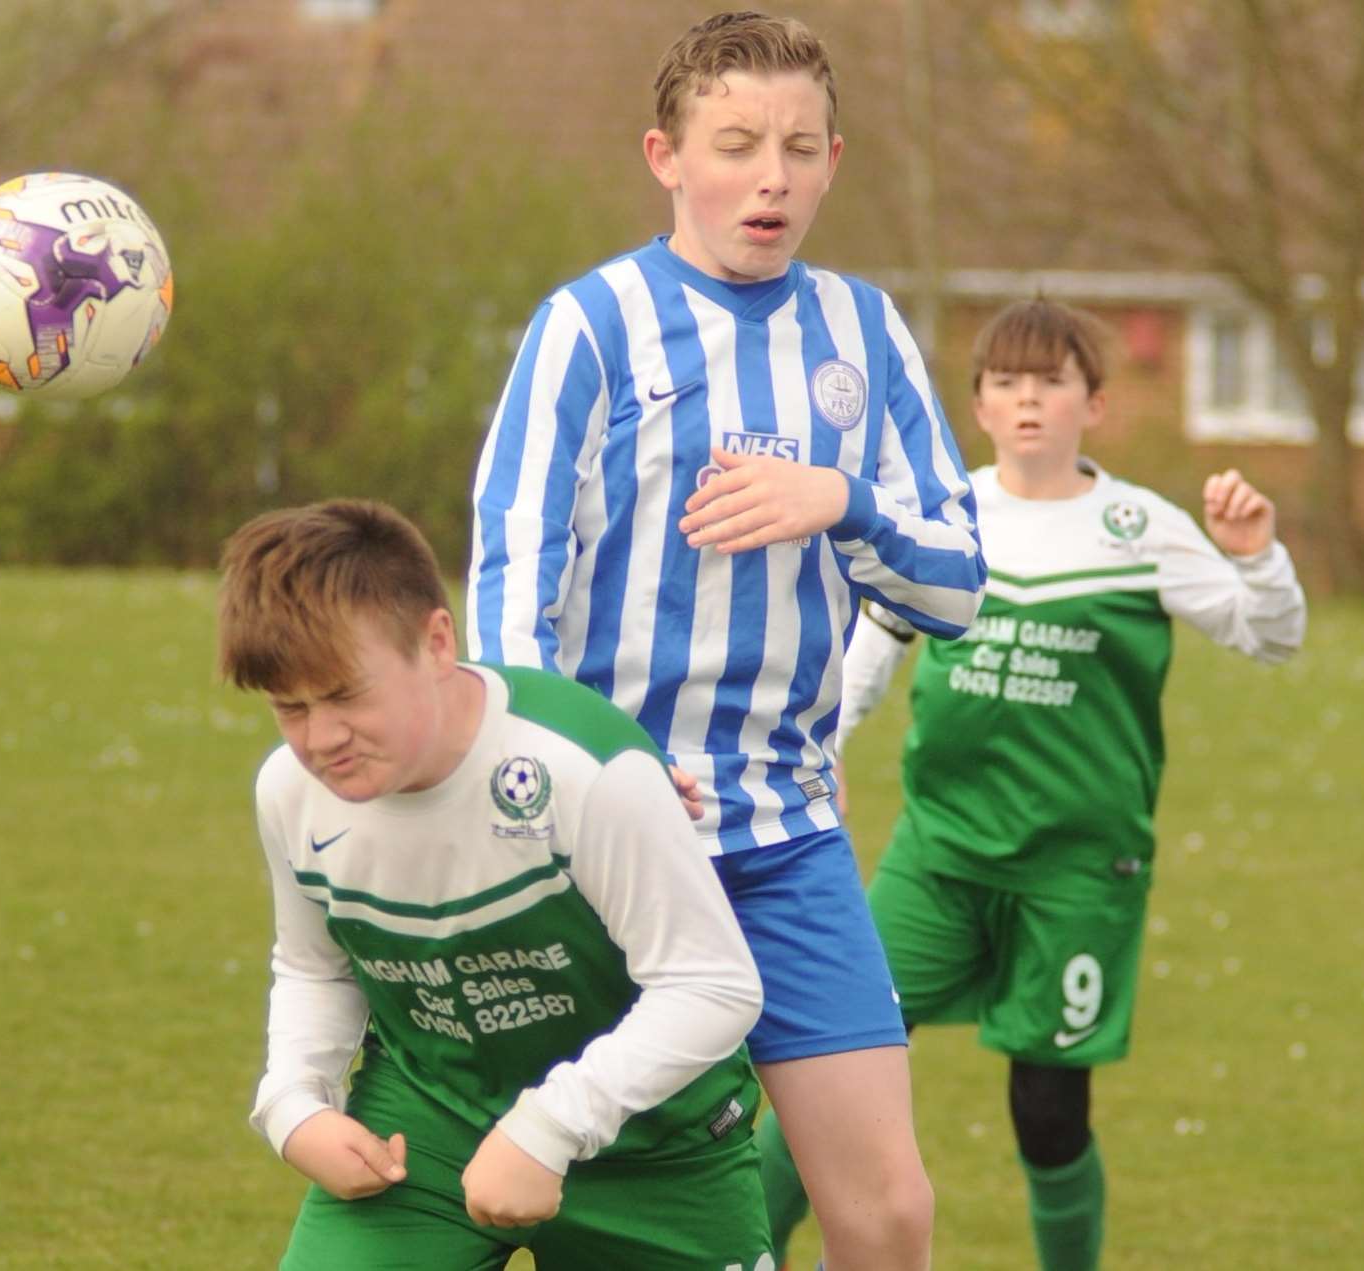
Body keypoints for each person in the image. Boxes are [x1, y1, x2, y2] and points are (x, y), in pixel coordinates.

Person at [467, 12, 986, 1269]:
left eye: (799, 148)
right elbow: (503, 599)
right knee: (575, 1203)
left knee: (887, 1211)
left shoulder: (862, 335)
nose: (771, 176)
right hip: (596, 842)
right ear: (665, 155)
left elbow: (958, 588)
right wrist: (594, 771)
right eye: (737, 143)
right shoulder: (587, 327)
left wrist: (841, 503)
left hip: (783, 836)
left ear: (833, 161)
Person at [755, 298, 1309, 1270]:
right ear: (975, 403)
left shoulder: (1138, 526)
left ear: (1091, 402)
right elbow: (874, 648)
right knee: (828, 1071)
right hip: (938, 855)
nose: (1025, 400)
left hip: (1075, 869)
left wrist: (1255, 554)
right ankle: (739, 1252)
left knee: (1046, 1113)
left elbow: (1268, 634)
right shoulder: (944, 514)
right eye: (1004, 382)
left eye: (1048, 381)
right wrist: (820, 746)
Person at [220, 498, 774, 1271]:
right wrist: (293, 1102)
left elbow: (711, 985)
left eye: (345, 695)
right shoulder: (289, 792)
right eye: (290, 708)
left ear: (436, 641)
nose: (320, 738)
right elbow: (315, 964)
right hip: (425, 1129)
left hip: (649, 1146)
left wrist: (548, 1126)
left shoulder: (584, 769)